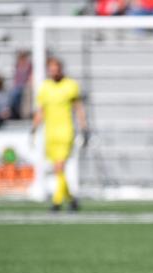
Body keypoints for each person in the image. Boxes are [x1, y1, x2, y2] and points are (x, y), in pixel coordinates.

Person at [30, 57, 89, 211]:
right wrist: (33, 129)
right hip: (50, 133)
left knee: (59, 167)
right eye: (51, 69)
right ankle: (71, 199)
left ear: (61, 69)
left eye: (56, 69)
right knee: (58, 169)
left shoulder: (70, 85)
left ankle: (56, 202)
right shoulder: (45, 87)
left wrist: (84, 128)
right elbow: (40, 112)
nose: (54, 72)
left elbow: (79, 108)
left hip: (66, 131)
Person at [9, 50, 32, 119]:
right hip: (18, 86)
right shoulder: (17, 65)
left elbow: (30, 77)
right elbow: (15, 78)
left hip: (25, 85)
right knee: (13, 94)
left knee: (26, 93)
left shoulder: (29, 66)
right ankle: (15, 113)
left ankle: (24, 115)